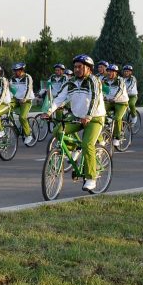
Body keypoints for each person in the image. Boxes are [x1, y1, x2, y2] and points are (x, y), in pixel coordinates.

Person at [41, 54, 105, 191]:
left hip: (94, 118)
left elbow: (95, 99)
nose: (76, 69)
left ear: (88, 68)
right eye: (75, 67)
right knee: (58, 131)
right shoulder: (70, 82)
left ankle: (91, 177)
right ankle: (75, 148)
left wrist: (88, 116)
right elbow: (59, 98)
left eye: (80, 67)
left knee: (88, 144)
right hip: (77, 117)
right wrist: (49, 111)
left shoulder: (93, 81)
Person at [102, 63, 129, 147]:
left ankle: (117, 137)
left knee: (117, 118)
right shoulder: (105, 80)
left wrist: (114, 98)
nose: (110, 73)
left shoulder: (120, 80)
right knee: (100, 112)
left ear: (116, 73)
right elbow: (102, 91)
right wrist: (103, 97)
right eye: (109, 71)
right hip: (110, 102)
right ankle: (107, 124)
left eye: (112, 72)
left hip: (121, 103)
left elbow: (120, 91)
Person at [9, 62, 36, 146]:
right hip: (16, 99)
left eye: (17, 71)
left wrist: (25, 98)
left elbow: (29, 88)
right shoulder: (12, 78)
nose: (15, 72)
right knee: (6, 108)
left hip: (26, 100)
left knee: (22, 117)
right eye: (14, 71)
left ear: (22, 70)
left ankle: (28, 135)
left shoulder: (28, 77)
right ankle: (11, 125)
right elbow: (10, 90)